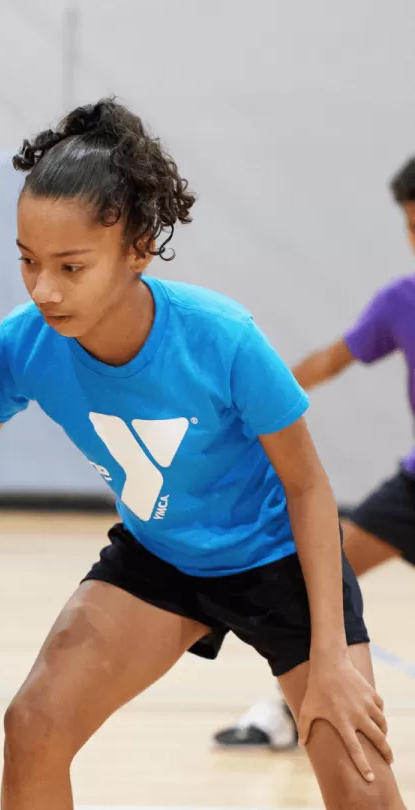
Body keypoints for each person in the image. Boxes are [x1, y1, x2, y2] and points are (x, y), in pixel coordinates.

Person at [0, 98, 406, 809]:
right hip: (160, 559)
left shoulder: (221, 337)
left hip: (279, 563)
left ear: (137, 250)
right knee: (33, 726)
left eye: (71, 266)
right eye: (29, 262)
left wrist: (331, 658)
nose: (45, 289)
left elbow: (309, 488)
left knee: (366, 792)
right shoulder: (25, 341)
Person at [211, 157, 415, 751]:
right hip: (412, 491)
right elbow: (328, 361)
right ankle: (298, 710)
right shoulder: (401, 301)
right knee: (322, 570)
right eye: (410, 224)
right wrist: (251, 406)